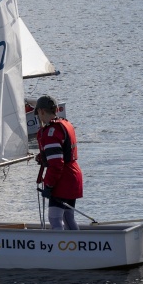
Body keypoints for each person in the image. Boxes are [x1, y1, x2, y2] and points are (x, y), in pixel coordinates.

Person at [34, 95, 83, 230]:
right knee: (68, 217)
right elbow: (62, 151)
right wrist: (43, 156)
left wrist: (48, 185)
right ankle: (78, 247)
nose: (39, 117)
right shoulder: (65, 124)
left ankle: (61, 248)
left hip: (63, 179)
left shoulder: (51, 132)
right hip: (73, 176)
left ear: (42, 111)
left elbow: (56, 164)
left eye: (38, 113)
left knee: (54, 219)